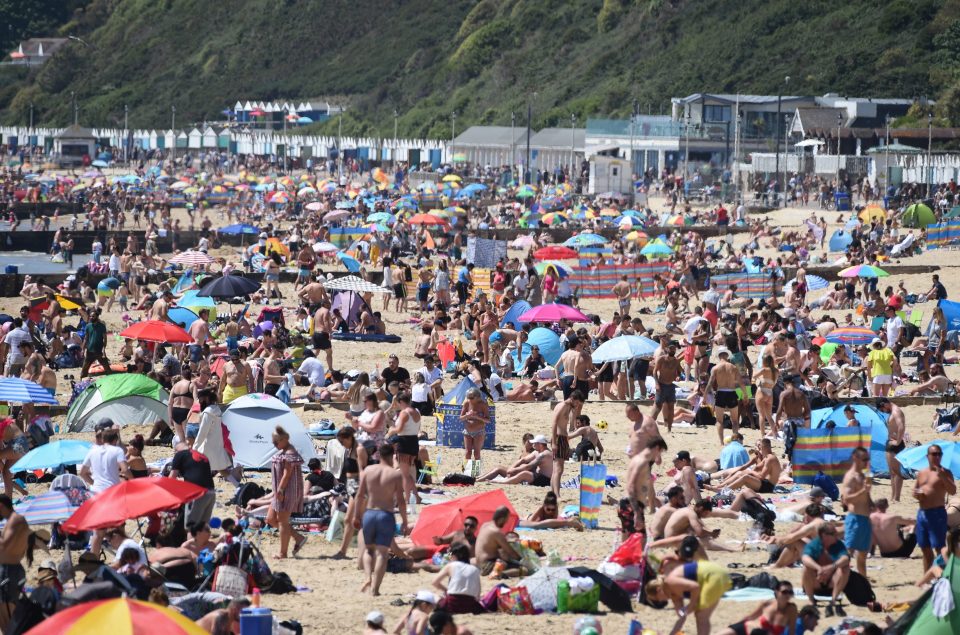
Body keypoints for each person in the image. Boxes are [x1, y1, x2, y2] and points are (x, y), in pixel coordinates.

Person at [354, 443, 408, 595]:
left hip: (369, 513)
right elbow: (401, 500)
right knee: (382, 554)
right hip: (385, 514)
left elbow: (359, 496)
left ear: (379, 455)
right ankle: (375, 590)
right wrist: (404, 521)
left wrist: (357, 515)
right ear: (392, 456)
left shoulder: (368, 471)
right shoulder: (395, 474)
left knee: (368, 550)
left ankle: (367, 577)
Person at [645, 540, 732, 635]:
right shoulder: (674, 596)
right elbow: (682, 617)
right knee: (701, 615)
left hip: (712, 574)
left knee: (701, 615)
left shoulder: (670, 581)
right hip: (711, 577)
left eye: (658, 599)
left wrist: (691, 605)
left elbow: (695, 587)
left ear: (658, 590)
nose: (661, 601)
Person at [81, 427, 131, 557]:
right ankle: (123, 557)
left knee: (98, 533)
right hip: (112, 493)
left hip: (95, 493)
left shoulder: (93, 451)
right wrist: (134, 481)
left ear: (103, 439)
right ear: (115, 440)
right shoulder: (117, 450)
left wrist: (94, 484)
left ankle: (94, 561)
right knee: (120, 527)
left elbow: (83, 473)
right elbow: (125, 470)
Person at [266, 426, 307, 560]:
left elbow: (287, 474)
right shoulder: (284, 451)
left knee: (282, 521)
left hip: (286, 491)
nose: (274, 445)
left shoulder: (290, 453)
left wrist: (281, 490)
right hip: (280, 490)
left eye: (276, 442)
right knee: (271, 519)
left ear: (284, 440)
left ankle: (283, 553)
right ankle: (298, 537)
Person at [915, 442, 957, 573]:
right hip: (922, 514)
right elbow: (915, 490)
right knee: (925, 548)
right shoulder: (922, 473)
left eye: (939, 454)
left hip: (937, 513)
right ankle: (927, 578)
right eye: (934, 454)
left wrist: (943, 476)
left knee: (940, 548)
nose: (937, 457)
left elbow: (952, 491)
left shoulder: (946, 472)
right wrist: (917, 494)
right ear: (928, 456)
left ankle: (946, 576)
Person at [169, 428, 217, 529]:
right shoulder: (202, 456)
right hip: (211, 493)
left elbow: (171, 478)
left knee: (191, 528)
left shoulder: (179, 455)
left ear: (176, 449)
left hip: (197, 494)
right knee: (203, 528)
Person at [801, 523, 851, 617]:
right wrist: (818, 568)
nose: (836, 535)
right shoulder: (815, 544)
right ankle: (811, 600)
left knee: (845, 568)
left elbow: (845, 558)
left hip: (832, 581)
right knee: (806, 568)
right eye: (833, 533)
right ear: (824, 535)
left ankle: (833, 599)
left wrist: (830, 568)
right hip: (816, 581)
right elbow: (805, 558)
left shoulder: (838, 544)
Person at [718, 580, 798, 635]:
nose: (787, 595)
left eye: (790, 592)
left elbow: (792, 631)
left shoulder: (791, 609)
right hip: (747, 628)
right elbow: (750, 617)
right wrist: (734, 625)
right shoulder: (767, 603)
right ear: (776, 592)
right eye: (784, 592)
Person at [625, 437, 668, 537]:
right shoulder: (642, 462)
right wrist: (636, 512)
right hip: (632, 505)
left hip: (632, 504)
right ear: (657, 448)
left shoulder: (638, 459)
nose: (659, 456)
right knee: (640, 539)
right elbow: (630, 486)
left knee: (628, 541)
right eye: (660, 452)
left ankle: (651, 507)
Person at [840, 446, 872, 577]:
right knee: (848, 553)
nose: (866, 462)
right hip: (855, 518)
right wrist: (863, 491)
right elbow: (846, 499)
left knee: (862, 555)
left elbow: (866, 496)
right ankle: (841, 579)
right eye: (864, 459)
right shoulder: (850, 477)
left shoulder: (864, 474)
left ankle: (863, 581)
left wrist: (871, 502)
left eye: (867, 459)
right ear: (855, 458)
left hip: (865, 519)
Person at [0, 494, 30, 632]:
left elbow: (5, 544)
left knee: (7, 615)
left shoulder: (15, 520)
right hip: (11, 569)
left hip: (9, 571)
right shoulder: (14, 521)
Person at [477, 435, 552, 486]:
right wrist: (511, 468)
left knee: (525, 473)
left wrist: (515, 470)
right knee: (499, 468)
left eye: (535, 444)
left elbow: (529, 466)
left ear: (541, 445)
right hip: (536, 476)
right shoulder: (537, 452)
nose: (533, 445)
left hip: (545, 480)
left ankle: (500, 482)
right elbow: (523, 460)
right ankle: (478, 479)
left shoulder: (545, 454)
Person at [432, 542, 483, 614]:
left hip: (452, 604)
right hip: (470, 606)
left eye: (451, 555)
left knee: (434, 596)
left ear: (454, 555)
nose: (450, 557)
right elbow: (477, 596)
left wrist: (446, 590)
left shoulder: (451, 565)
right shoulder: (475, 569)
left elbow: (434, 582)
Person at [551, 390, 584, 497]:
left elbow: (575, 420)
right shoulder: (562, 406)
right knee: (558, 468)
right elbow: (554, 423)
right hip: (558, 438)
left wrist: (578, 408)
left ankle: (554, 493)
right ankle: (557, 494)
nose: (577, 405)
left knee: (558, 468)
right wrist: (554, 442)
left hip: (563, 438)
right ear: (573, 399)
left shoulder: (569, 407)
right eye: (577, 403)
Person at [876, 398, 905, 502]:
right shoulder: (893, 411)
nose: (884, 411)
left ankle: (896, 498)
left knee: (897, 472)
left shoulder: (896, 411)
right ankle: (893, 497)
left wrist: (897, 441)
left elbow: (901, 426)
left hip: (895, 444)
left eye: (883, 409)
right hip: (891, 443)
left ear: (885, 404)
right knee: (892, 473)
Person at [651, 343, 681, 432]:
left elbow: (679, 371)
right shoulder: (662, 359)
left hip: (671, 385)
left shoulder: (676, 361)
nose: (673, 350)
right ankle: (649, 426)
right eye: (671, 348)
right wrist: (656, 384)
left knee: (671, 407)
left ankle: (669, 428)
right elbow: (654, 371)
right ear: (667, 349)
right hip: (662, 384)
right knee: (657, 406)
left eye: (674, 349)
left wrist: (678, 376)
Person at [459, 388, 489, 463]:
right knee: (468, 452)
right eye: (468, 397)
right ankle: (465, 471)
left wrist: (477, 417)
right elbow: (460, 418)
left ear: (478, 397)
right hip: (467, 431)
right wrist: (467, 416)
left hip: (479, 431)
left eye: (471, 398)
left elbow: (488, 420)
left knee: (477, 453)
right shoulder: (467, 403)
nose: (469, 399)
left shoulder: (483, 404)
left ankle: (476, 472)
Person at [79, 308, 111, 378]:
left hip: (99, 351)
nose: (91, 317)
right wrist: (83, 349)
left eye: (93, 316)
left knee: (107, 368)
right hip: (90, 351)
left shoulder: (102, 326)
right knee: (84, 370)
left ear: (97, 316)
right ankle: (81, 383)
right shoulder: (88, 326)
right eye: (90, 316)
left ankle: (112, 380)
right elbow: (86, 338)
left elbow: (105, 339)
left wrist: (103, 349)